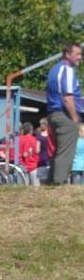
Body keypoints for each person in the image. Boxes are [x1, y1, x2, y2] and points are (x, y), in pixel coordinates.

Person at [46, 43, 82, 185]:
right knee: (66, 152)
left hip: (53, 113)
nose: (80, 57)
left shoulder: (54, 69)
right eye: (77, 54)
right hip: (64, 115)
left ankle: (51, 183)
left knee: (58, 151)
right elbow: (68, 97)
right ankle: (58, 184)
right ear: (67, 54)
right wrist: (74, 118)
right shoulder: (67, 70)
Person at [35, 117, 54, 185]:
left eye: (41, 124)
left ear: (44, 125)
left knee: (42, 183)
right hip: (52, 160)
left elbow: (37, 150)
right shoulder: (53, 135)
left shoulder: (39, 136)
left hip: (42, 161)